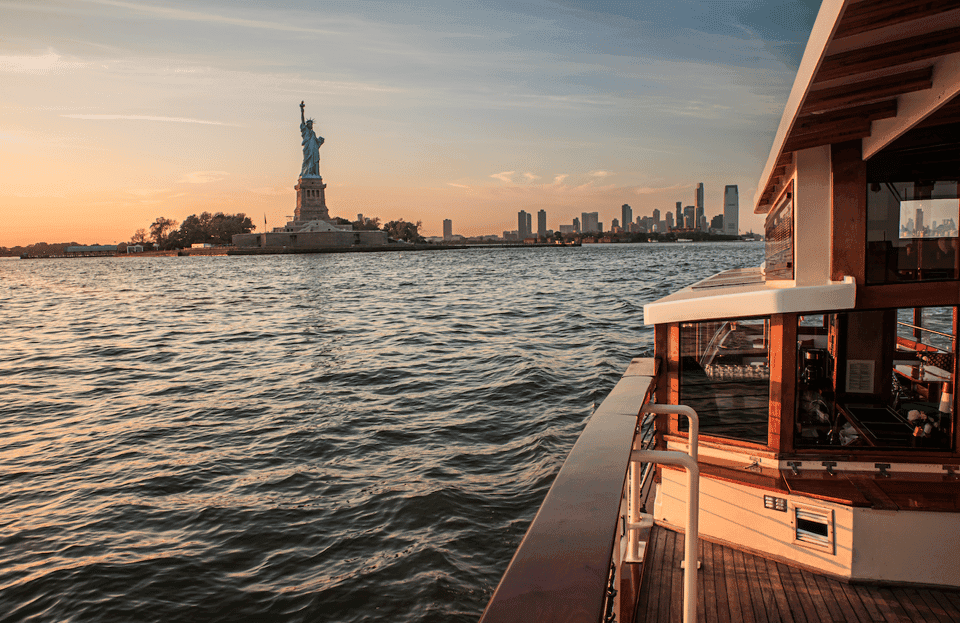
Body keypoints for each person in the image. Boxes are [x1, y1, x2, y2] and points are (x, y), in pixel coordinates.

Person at [299, 101, 324, 177]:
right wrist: (302, 110)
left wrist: (320, 141)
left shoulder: (313, 133)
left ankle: (314, 174)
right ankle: (307, 173)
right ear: (307, 125)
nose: (311, 125)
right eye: (310, 124)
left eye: (312, 124)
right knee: (307, 161)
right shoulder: (305, 130)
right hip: (308, 149)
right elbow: (302, 121)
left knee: (314, 161)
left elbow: (317, 142)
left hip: (314, 149)